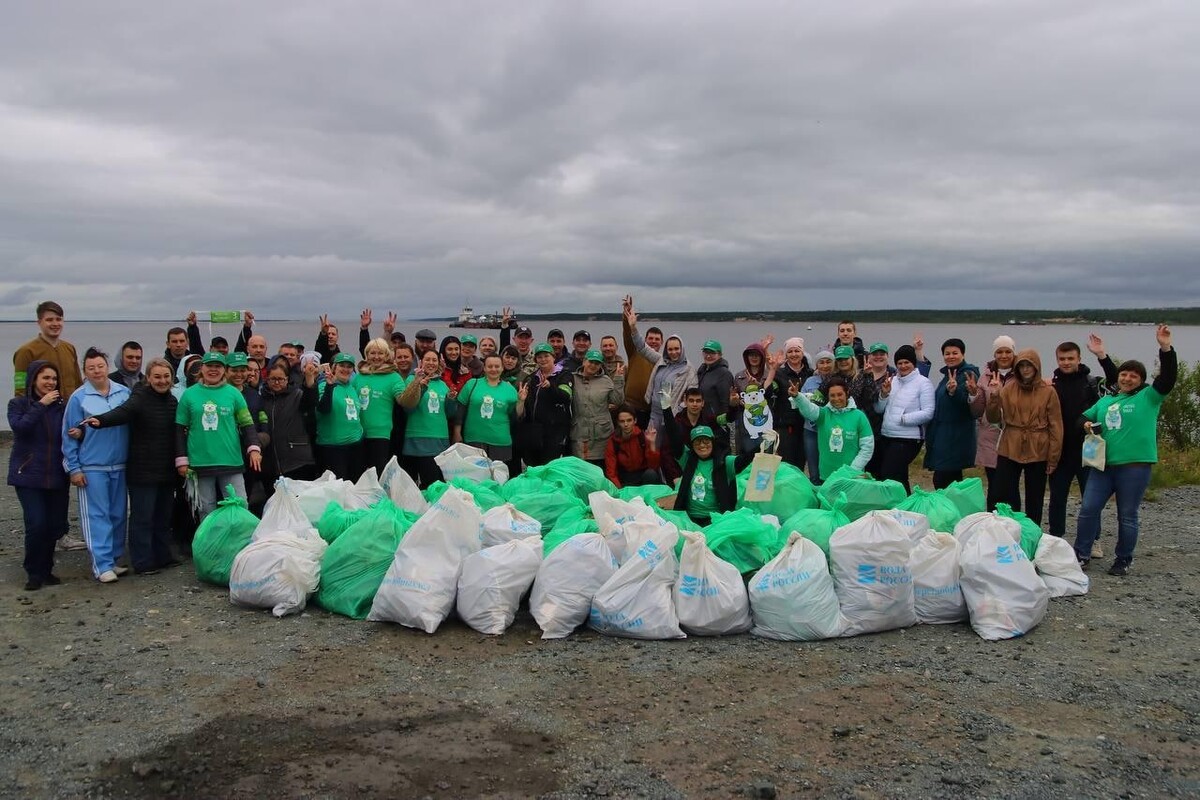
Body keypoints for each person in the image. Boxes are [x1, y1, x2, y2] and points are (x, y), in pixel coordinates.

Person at [1074, 325, 1176, 576]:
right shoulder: (1107, 400)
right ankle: (1081, 554)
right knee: (1088, 509)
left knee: (1127, 515)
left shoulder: (1149, 398)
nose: (1127, 378)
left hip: (1135, 466)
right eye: (1124, 374)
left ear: (1141, 381)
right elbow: (1081, 420)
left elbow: (1168, 378)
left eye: (1134, 376)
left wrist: (1165, 348)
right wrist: (1086, 424)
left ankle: (1123, 559)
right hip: (1103, 466)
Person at [82, 358, 180, 575]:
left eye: (166, 376)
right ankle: (143, 562)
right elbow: (123, 412)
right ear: (148, 378)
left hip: (166, 468)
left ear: (172, 378)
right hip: (142, 470)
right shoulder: (140, 397)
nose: (162, 381)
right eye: (157, 376)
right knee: (142, 518)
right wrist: (100, 420)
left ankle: (163, 556)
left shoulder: (172, 401)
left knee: (163, 516)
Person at [62, 348, 132, 583]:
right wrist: (74, 468)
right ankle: (101, 565)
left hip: (120, 465)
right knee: (97, 516)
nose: (97, 371)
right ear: (85, 371)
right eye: (91, 368)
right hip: (93, 466)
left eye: (100, 366)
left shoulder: (124, 393)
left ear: (107, 367)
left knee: (118, 514)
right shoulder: (79, 397)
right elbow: (68, 435)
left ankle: (113, 559)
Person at [1048, 335, 1119, 547]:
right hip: (1060, 451)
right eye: (1062, 359)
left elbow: (1116, 382)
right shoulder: (1051, 385)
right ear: (1057, 360)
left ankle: (1093, 540)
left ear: (1078, 359)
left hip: (1089, 450)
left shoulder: (1092, 383)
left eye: (1070, 358)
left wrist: (1101, 355)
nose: (1066, 362)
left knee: (1091, 500)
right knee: (1057, 499)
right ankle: (1055, 539)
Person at [175, 352, 262, 518]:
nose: (213, 370)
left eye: (218, 366)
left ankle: (240, 543)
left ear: (224, 370)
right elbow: (179, 429)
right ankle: (210, 543)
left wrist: (254, 449)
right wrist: (181, 460)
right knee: (206, 510)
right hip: (200, 463)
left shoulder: (234, 393)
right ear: (202, 368)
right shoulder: (189, 394)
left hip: (231, 461)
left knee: (239, 505)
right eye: (209, 366)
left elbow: (247, 424)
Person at [8, 361, 70, 589]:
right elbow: (20, 427)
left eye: (53, 379)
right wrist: (40, 405)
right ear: (34, 379)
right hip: (28, 474)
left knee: (54, 525)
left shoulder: (61, 407)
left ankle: (47, 569)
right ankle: (34, 572)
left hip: (56, 474)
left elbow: (70, 432)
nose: (50, 383)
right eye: (45, 378)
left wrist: (79, 431)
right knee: (36, 523)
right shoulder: (18, 404)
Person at [985, 350, 1062, 525]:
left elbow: (1056, 426)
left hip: (1038, 446)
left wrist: (1053, 457)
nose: (1025, 370)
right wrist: (994, 396)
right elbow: (993, 418)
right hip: (1010, 444)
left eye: (1029, 365)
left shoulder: (1048, 391)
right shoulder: (1008, 388)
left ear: (1037, 367)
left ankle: (1032, 532)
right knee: (1004, 492)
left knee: (1035, 495)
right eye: (1021, 366)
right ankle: (1009, 528)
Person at [661, 398, 762, 525]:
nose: (702, 445)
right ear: (692, 445)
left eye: (706, 441)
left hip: (716, 521)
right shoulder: (687, 459)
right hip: (689, 520)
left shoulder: (724, 463)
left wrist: (763, 444)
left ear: (712, 442)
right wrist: (666, 409)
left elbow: (745, 459)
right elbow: (674, 437)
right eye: (697, 442)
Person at [923, 338, 984, 489]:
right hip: (943, 435)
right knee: (948, 481)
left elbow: (966, 404)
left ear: (963, 354)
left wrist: (954, 392)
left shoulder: (968, 374)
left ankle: (948, 511)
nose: (950, 356)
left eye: (955, 353)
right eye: (947, 353)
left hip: (955, 437)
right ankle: (952, 511)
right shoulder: (948, 375)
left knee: (944, 481)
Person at [788, 375, 875, 481]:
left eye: (840, 394)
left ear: (847, 393)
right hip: (827, 476)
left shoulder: (859, 416)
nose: (836, 399)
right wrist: (798, 396)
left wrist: (852, 470)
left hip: (852, 477)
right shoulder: (823, 414)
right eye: (832, 395)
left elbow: (867, 448)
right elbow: (809, 409)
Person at [875, 344, 935, 493]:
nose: (903, 366)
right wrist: (883, 395)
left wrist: (903, 419)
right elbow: (879, 409)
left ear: (913, 363)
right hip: (887, 435)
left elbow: (928, 413)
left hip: (909, 439)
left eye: (907, 362)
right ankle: (903, 507)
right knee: (897, 477)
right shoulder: (892, 380)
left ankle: (901, 507)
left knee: (890, 474)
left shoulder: (923, 383)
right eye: (899, 363)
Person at [260, 356, 320, 496]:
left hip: (298, 461)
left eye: (281, 379)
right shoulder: (262, 399)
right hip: (271, 464)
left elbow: (311, 401)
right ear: (266, 380)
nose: (277, 382)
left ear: (287, 379)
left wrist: (310, 380)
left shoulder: (297, 395)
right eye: (273, 379)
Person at [351, 338, 409, 474]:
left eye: (381, 353)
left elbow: (403, 399)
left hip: (380, 434)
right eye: (372, 353)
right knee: (358, 474)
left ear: (387, 356)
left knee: (378, 474)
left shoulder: (393, 377)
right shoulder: (359, 377)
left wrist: (416, 383)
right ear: (366, 355)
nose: (376, 357)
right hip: (357, 433)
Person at [399, 349, 456, 486]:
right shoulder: (412, 379)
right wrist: (421, 387)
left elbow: (449, 413)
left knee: (436, 485)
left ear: (439, 363)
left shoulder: (442, 385)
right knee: (418, 484)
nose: (431, 363)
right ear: (421, 362)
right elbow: (408, 406)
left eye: (434, 360)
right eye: (427, 360)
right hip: (418, 440)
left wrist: (451, 400)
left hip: (440, 440)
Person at [456, 354, 526, 464]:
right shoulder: (472, 384)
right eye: (490, 366)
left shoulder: (510, 389)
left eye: (497, 366)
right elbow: (460, 410)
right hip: (474, 440)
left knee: (497, 479)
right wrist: (457, 432)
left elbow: (516, 416)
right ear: (484, 368)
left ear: (502, 368)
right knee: (475, 477)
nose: (493, 369)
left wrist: (521, 401)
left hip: (500, 442)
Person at [976, 336, 1019, 509]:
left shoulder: (1021, 373)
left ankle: (1014, 520)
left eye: (1008, 351)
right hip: (990, 436)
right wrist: (973, 394)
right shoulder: (985, 375)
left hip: (1012, 435)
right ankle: (992, 523)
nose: (1004, 355)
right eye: (999, 352)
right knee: (994, 485)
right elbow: (978, 409)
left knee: (1011, 486)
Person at [517, 343, 574, 468]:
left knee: (551, 469)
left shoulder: (564, 375)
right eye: (539, 357)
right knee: (533, 469)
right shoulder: (531, 379)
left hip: (555, 434)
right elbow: (525, 408)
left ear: (553, 357)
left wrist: (550, 387)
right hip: (533, 434)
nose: (543, 360)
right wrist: (521, 401)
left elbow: (566, 396)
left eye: (546, 356)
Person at [13, 300, 84, 399]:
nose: (55, 324)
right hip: (42, 411)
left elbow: (78, 383)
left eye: (58, 319)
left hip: (70, 410)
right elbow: (20, 390)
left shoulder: (69, 348)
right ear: (39, 322)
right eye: (49, 320)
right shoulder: (26, 351)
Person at [570, 351, 625, 466]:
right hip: (580, 434)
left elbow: (617, 401)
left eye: (597, 363)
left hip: (602, 435)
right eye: (591, 362)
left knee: (602, 468)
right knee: (582, 469)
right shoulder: (572, 378)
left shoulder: (606, 380)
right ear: (584, 361)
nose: (593, 365)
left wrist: (619, 379)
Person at [315, 352, 364, 480]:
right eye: (342, 365)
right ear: (334, 367)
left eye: (349, 366)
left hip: (355, 447)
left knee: (353, 487)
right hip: (333, 449)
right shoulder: (324, 386)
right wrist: (330, 387)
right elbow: (323, 409)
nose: (345, 369)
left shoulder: (352, 388)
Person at [644, 334, 697, 453]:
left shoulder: (688, 369)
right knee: (651, 446)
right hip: (655, 414)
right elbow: (643, 348)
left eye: (676, 349)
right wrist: (632, 328)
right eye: (670, 349)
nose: (673, 352)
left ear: (682, 349)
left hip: (672, 417)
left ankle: (667, 472)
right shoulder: (661, 361)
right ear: (666, 350)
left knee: (668, 450)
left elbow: (692, 395)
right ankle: (653, 472)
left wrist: (678, 409)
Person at [771, 337, 813, 473]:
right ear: (786, 355)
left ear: (802, 353)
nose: (794, 354)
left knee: (802, 464)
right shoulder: (779, 374)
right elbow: (767, 392)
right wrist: (771, 369)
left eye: (797, 351)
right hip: (786, 427)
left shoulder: (811, 374)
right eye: (790, 351)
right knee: (787, 465)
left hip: (807, 425)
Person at [621, 295, 663, 428]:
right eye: (650, 338)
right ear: (644, 340)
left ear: (662, 342)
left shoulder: (664, 362)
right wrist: (627, 315)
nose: (653, 341)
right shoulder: (635, 352)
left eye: (657, 339)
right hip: (631, 408)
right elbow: (628, 334)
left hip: (652, 412)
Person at [798, 350, 835, 483]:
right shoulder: (810, 381)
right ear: (817, 365)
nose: (825, 365)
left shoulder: (837, 380)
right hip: (811, 430)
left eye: (828, 362)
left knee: (829, 468)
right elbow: (801, 404)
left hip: (831, 431)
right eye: (821, 362)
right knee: (813, 469)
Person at [604, 405, 661, 489]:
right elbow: (611, 473)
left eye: (629, 420)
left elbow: (654, 467)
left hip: (642, 477)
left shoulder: (643, 437)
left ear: (635, 420)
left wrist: (652, 443)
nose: (626, 424)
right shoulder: (613, 442)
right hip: (624, 480)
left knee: (651, 474)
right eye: (622, 421)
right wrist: (619, 491)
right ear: (618, 422)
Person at [860, 342, 894, 477]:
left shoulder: (895, 376)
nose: (878, 357)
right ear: (869, 357)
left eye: (882, 354)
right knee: (865, 472)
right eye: (875, 354)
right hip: (863, 430)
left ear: (887, 356)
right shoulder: (860, 375)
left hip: (884, 433)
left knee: (882, 472)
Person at [695, 340, 734, 422]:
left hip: (716, 424)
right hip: (702, 421)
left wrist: (724, 422)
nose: (708, 356)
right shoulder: (702, 370)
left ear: (720, 355)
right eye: (706, 352)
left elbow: (725, 402)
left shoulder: (724, 374)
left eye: (712, 353)